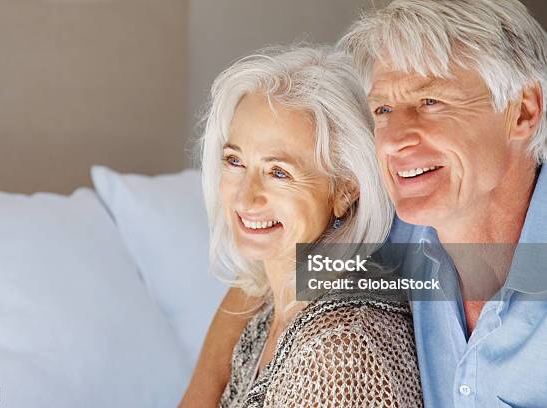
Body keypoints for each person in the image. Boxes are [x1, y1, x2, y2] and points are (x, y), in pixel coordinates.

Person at [181, 1, 547, 407]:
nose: (393, 139)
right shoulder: (402, 230)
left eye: (431, 102)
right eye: (384, 110)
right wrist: (200, 394)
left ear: (523, 111)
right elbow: (273, 265)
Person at [181, 45, 422, 407]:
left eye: (279, 172)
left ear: (345, 189)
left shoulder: (341, 353)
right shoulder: (273, 295)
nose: (246, 198)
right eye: (235, 161)